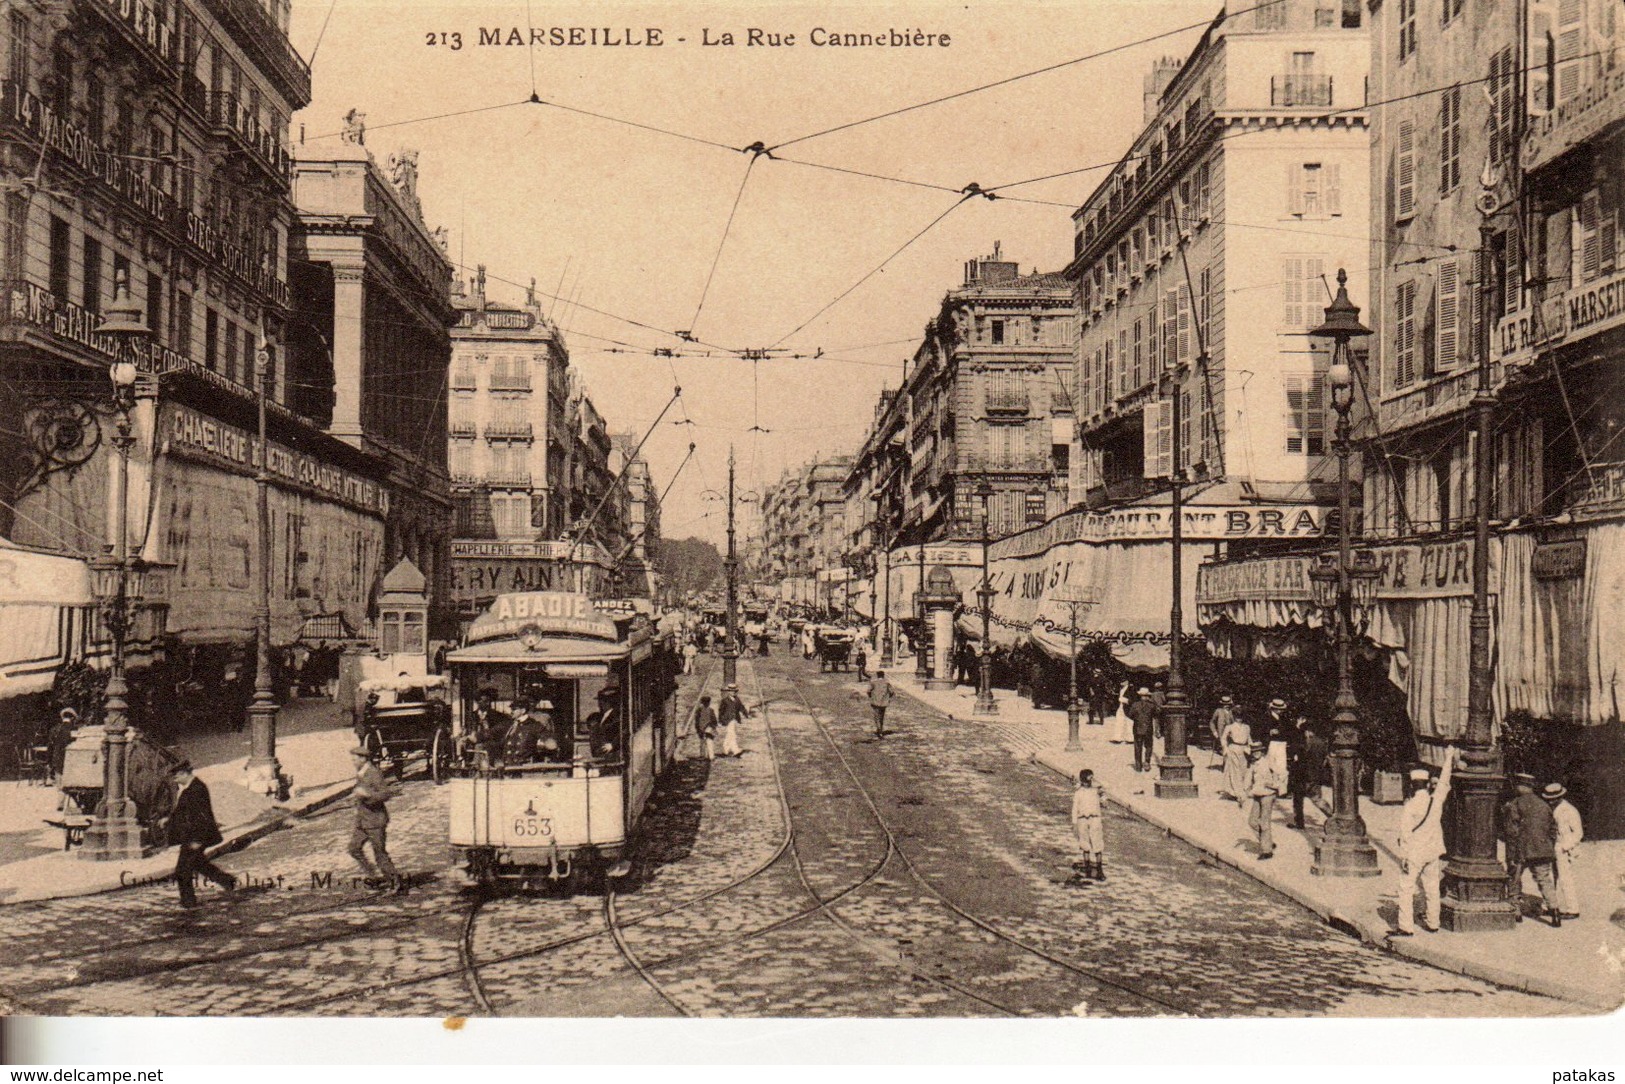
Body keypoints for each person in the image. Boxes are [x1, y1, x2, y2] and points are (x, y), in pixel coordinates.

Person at [1392, 748, 1455, 936]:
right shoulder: (1435, 801)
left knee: (1406, 888)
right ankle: (1433, 922)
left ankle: (1405, 926)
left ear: (1412, 785)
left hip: (1414, 853)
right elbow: (1444, 782)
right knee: (1432, 887)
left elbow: (1405, 833)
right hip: (1433, 851)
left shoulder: (1410, 806)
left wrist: (1403, 856)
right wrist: (1449, 757)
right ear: (1428, 784)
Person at [169, 761, 237, 908]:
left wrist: (198, 840)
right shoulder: (191, 788)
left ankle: (188, 903)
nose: (174, 780)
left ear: (183, 774)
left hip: (196, 837)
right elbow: (182, 812)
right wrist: (168, 821)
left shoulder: (197, 789)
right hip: (193, 836)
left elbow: (202, 817)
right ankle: (227, 881)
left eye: (175, 777)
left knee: (183, 870)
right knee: (199, 864)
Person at [1503, 773, 1563, 926]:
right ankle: (1555, 912)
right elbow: (1553, 829)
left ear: (1521, 786)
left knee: (1514, 879)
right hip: (1542, 850)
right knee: (1544, 880)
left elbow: (1512, 832)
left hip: (1521, 851)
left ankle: (1516, 912)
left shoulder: (1515, 804)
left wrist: (1510, 854)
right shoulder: (1544, 804)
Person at [1545, 783, 1583, 920]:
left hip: (1563, 848)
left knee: (1565, 878)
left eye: (1554, 798)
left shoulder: (1570, 810)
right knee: (1550, 877)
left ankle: (1573, 909)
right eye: (1549, 798)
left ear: (1561, 796)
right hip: (1552, 846)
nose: (1551, 800)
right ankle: (1551, 906)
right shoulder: (1551, 808)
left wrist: (1565, 847)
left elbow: (1578, 833)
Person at [1244, 741, 1285, 860]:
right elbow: (1248, 778)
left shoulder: (1268, 762)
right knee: (1252, 821)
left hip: (1267, 794)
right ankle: (1267, 841)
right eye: (1254, 752)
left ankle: (1267, 851)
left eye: (1258, 751)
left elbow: (1282, 773)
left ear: (1262, 751)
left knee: (1264, 822)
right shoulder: (1253, 764)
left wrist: (1274, 784)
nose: (1256, 753)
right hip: (1257, 794)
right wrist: (1245, 790)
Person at [1071, 769, 1106, 883]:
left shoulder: (1095, 790)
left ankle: (1099, 870)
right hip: (1082, 819)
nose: (1090, 781)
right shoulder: (1078, 793)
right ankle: (1087, 869)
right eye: (1088, 778)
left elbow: (1104, 795)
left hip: (1095, 818)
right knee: (1084, 844)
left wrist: (1098, 786)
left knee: (1097, 843)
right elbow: (1075, 809)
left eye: (1091, 778)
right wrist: (1074, 823)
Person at [1284, 714, 1316, 829]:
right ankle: (1299, 822)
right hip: (1312, 774)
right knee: (1316, 799)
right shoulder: (1318, 742)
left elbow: (1295, 743)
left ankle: (1299, 822)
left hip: (1301, 773)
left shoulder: (1302, 743)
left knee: (1299, 798)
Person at [1221, 710, 1254, 808]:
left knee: (1243, 771)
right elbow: (1223, 738)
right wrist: (1225, 748)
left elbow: (1249, 739)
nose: (1239, 718)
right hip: (1233, 749)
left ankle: (1241, 790)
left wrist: (1253, 748)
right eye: (1237, 716)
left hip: (1244, 750)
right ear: (1234, 717)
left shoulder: (1246, 727)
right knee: (1235, 771)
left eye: (1241, 716)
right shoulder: (1229, 727)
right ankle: (1238, 793)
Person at [1128, 687, 1157, 773]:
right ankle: (1147, 762)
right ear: (1147, 696)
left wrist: (1137, 719)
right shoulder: (1151, 705)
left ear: (1140, 696)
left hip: (1137, 728)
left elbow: (1130, 715)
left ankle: (1138, 766)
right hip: (1148, 729)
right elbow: (1156, 714)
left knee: (1138, 747)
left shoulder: (1135, 705)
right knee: (1148, 746)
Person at [47, 707, 80, 784]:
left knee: (60, 784)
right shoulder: (75, 729)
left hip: (57, 758)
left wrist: (49, 762)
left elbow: (50, 747)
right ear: (72, 718)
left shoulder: (55, 729)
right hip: (71, 759)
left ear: (63, 717)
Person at [718, 683, 749, 757]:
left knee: (730, 735)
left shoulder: (737, 699)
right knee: (732, 734)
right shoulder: (724, 700)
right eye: (731, 691)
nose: (733, 692)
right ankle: (735, 750)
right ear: (728, 692)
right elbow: (721, 711)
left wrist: (746, 714)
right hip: (728, 720)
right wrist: (720, 720)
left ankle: (725, 750)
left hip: (735, 719)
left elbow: (741, 707)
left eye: (734, 691)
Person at [1262, 698, 1290, 781]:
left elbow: (1288, 730)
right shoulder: (1267, 718)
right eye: (1279, 709)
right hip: (1272, 743)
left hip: (1281, 743)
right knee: (1270, 763)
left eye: (1282, 709)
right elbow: (1261, 730)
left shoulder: (1283, 718)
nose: (1281, 711)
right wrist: (1270, 731)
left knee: (1281, 764)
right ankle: (1271, 783)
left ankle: (1280, 786)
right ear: (1273, 708)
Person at [1207, 695, 1235, 769]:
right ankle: (1226, 767)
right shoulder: (1218, 711)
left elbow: (1234, 723)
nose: (1226, 706)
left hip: (1230, 735)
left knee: (1229, 750)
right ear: (1222, 704)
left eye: (1228, 704)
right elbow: (1212, 722)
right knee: (1224, 749)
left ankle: (1227, 766)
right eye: (1225, 704)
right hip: (1221, 734)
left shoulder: (1231, 712)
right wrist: (1214, 732)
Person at [868, 669, 894, 738]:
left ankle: (879, 730)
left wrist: (871, 696)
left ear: (877, 675)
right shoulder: (887, 683)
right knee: (881, 716)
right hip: (883, 703)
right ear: (883, 675)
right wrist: (887, 697)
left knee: (876, 716)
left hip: (875, 702)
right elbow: (891, 692)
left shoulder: (873, 682)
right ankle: (881, 730)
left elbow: (868, 691)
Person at [693, 695, 718, 760]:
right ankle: (711, 756)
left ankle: (703, 755)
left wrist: (698, 728)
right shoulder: (711, 710)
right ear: (709, 703)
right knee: (710, 742)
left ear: (702, 703)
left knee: (702, 742)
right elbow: (714, 720)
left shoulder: (699, 710)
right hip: (709, 728)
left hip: (701, 728)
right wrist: (713, 727)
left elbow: (697, 720)